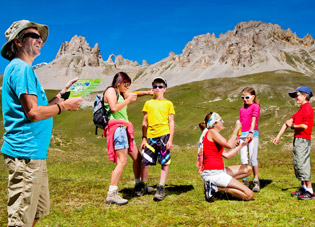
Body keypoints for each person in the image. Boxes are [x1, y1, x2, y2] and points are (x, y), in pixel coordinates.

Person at [1, 20, 83, 227]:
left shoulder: (23, 70)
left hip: (35, 153)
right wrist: (64, 107)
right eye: (33, 36)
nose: (40, 40)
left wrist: (62, 95)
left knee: (36, 211)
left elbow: (39, 107)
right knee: (20, 219)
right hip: (25, 154)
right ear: (18, 42)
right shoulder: (21, 69)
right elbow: (34, 113)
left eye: (40, 37)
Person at [104, 72, 153, 205]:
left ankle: (138, 185)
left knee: (138, 158)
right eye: (126, 84)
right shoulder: (110, 91)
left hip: (125, 130)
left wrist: (148, 92)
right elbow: (113, 109)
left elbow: (135, 94)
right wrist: (128, 101)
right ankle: (111, 194)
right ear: (119, 82)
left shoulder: (120, 93)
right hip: (117, 129)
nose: (128, 87)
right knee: (122, 161)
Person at [198, 112, 254, 202]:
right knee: (249, 195)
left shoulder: (212, 135)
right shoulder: (212, 132)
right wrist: (236, 130)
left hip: (218, 171)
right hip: (214, 174)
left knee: (248, 169)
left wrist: (243, 144)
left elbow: (227, 155)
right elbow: (229, 145)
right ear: (215, 123)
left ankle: (216, 185)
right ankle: (216, 188)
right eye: (220, 120)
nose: (223, 122)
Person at [273, 86, 314, 200]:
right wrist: (278, 137)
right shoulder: (300, 110)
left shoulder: (307, 109)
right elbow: (287, 123)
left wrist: (292, 125)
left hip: (303, 139)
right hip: (298, 139)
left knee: (302, 163)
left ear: (305, 96)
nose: (295, 98)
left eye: (297, 95)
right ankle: (303, 188)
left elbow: (304, 126)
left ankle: (310, 191)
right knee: (298, 163)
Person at [138, 77, 175, 201]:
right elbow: (144, 122)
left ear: (165, 89)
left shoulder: (168, 103)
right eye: (155, 86)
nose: (157, 89)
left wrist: (170, 139)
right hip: (150, 136)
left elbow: (171, 121)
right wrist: (144, 138)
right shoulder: (148, 103)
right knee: (145, 160)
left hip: (164, 134)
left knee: (164, 161)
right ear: (152, 89)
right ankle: (143, 185)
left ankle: (161, 187)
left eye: (160, 86)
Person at [238, 87, 261, 192]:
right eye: (243, 97)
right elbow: (241, 123)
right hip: (242, 135)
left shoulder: (255, 106)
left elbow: (254, 119)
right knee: (243, 158)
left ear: (253, 97)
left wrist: (251, 132)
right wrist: (238, 137)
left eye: (247, 97)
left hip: (252, 134)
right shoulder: (242, 110)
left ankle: (256, 180)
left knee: (253, 157)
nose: (245, 99)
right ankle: (245, 180)